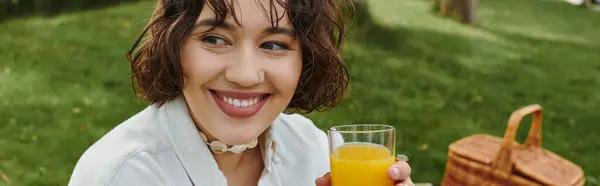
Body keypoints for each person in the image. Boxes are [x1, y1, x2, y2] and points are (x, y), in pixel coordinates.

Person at [68, 0, 414, 185]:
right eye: (215, 39)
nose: (245, 75)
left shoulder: (312, 151)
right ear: (173, 44)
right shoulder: (121, 176)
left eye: (275, 44)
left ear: (305, 60)